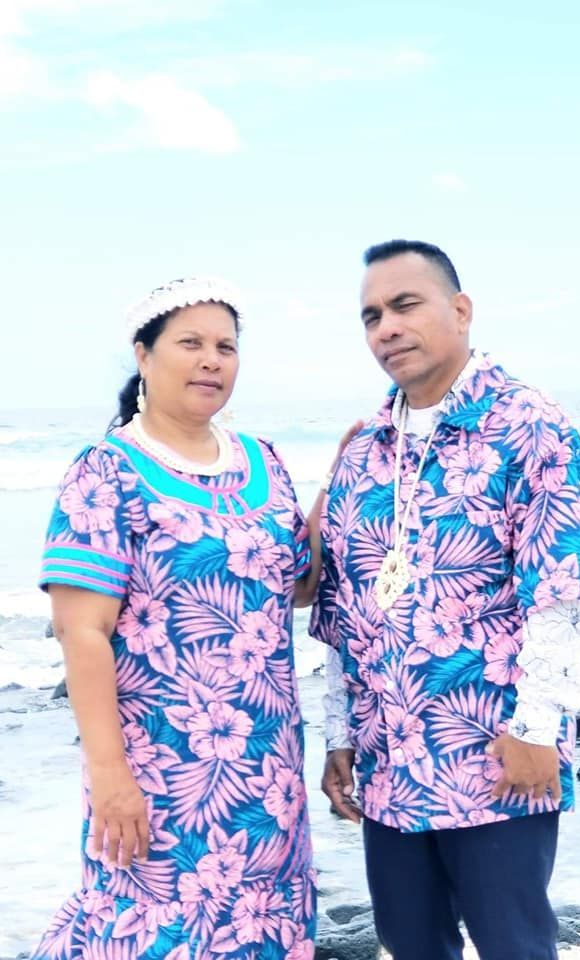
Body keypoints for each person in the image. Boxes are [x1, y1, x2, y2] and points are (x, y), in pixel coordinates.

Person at [310, 241, 580, 960]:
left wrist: (537, 729)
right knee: (410, 945)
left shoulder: (529, 423)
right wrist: (340, 735)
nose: (387, 328)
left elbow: (559, 590)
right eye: (372, 316)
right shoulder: (364, 450)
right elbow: (344, 609)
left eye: (405, 305)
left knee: (514, 946)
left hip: (495, 754)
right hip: (388, 761)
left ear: (461, 311)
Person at [33, 277, 320, 960]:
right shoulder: (107, 472)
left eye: (226, 346)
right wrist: (110, 776)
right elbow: (82, 632)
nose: (211, 360)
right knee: (153, 935)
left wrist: (346, 477)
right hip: (160, 775)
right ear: (144, 354)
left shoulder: (264, 460)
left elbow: (297, 586)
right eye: (190, 343)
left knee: (266, 932)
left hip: (268, 773)